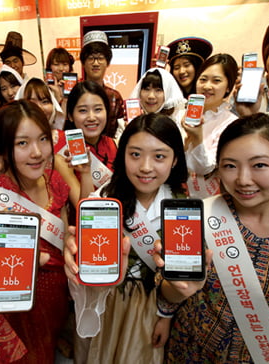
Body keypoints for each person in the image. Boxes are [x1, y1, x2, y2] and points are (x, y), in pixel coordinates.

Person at [154, 113, 269, 363]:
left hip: (252, 354)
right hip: (187, 346)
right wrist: (172, 299)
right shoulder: (197, 216)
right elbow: (170, 290)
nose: (242, 180)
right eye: (230, 166)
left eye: (259, 165)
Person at [65, 113, 188, 363]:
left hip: (150, 304)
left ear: (175, 160)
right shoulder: (103, 198)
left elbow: (178, 276)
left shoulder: (180, 205)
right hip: (106, 298)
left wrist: (165, 317)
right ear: (123, 156)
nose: (145, 167)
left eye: (159, 156)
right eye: (135, 154)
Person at [0, 100, 70, 363]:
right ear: (2, 149)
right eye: (22, 143)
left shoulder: (54, 179)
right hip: (27, 299)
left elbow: (64, 232)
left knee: (55, 326)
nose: (37, 152)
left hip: (60, 285)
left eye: (43, 139)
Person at [183, 53, 239, 181]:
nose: (207, 86)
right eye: (203, 79)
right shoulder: (181, 114)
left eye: (216, 81)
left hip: (207, 196)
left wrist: (197, 138)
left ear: (228, 87)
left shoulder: (231, 124)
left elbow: (205, 168)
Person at [80, 30, 125, 139]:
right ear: (83, 63)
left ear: (107, 62)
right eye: (91, 58)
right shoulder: (75, 94)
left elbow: (119, 131)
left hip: (108, 153)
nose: (96, 63)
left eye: (100, 58)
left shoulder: (115, 97)